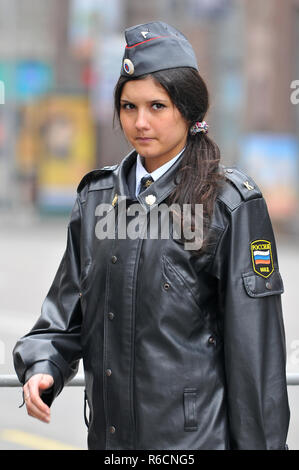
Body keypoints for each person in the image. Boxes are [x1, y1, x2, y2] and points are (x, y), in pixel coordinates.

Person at [13, 21, 290, 450]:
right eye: (128, 107)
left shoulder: (228, 205)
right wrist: (44, 364)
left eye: (157, 106)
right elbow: (64, 316)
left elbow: (255, 361)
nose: (140, 122)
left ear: (189, 109)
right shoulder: (97, 199)